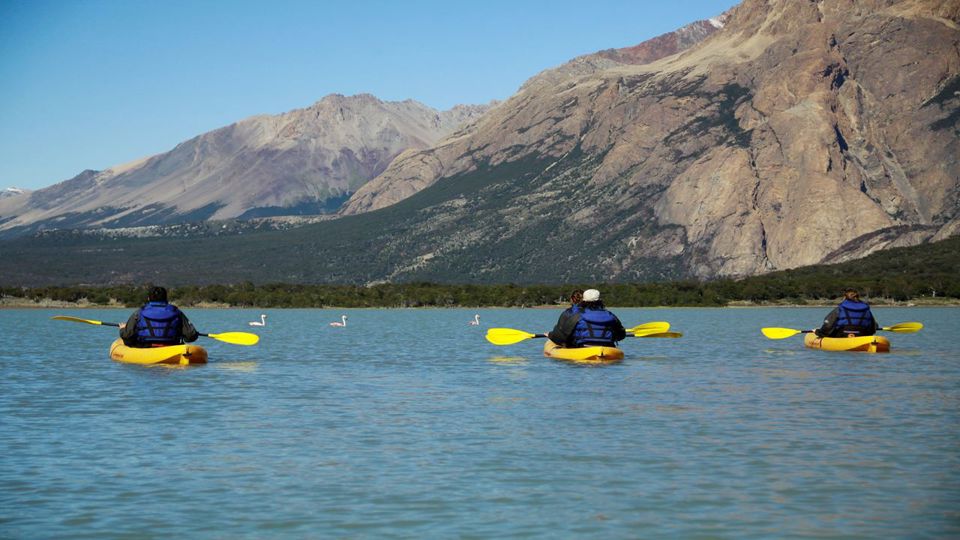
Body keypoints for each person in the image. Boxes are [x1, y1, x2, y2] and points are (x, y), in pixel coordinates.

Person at [119, 286, 199, 347]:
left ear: (148, 298)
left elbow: (127, 335)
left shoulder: (138, 313)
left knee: (128, 340)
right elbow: (191, 336)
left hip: (145, 346)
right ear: (166, 298)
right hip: (171, 346)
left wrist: (123, 329)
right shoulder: (177, 312)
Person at [547, 288, 626, 348]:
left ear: (583, 301)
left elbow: (562, 337)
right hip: (607, 347)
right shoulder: (610, 315)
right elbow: (621, 335)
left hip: (583, 347)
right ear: (600, 301)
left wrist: (551, 335)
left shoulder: (577, 316)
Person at [815, 288, 879, 338]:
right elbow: (873, 328)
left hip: (842, 335)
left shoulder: (840, 309)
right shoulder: (866, 309)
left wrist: (819, 333)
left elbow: (828, 325)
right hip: (862, 334)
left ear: (845, 297)